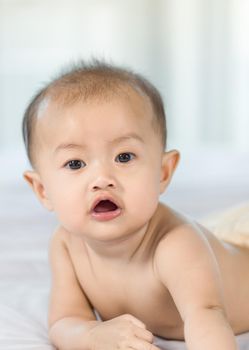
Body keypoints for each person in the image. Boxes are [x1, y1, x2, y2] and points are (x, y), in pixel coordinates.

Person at [22, 60, 249, 350]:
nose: (102, 179)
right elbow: (64, 321)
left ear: (163, 172)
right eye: (75, 163)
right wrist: (91, 335)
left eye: (124, 157)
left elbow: (206, 317)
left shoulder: (175, 244)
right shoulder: (67, 245)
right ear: (43, 191)